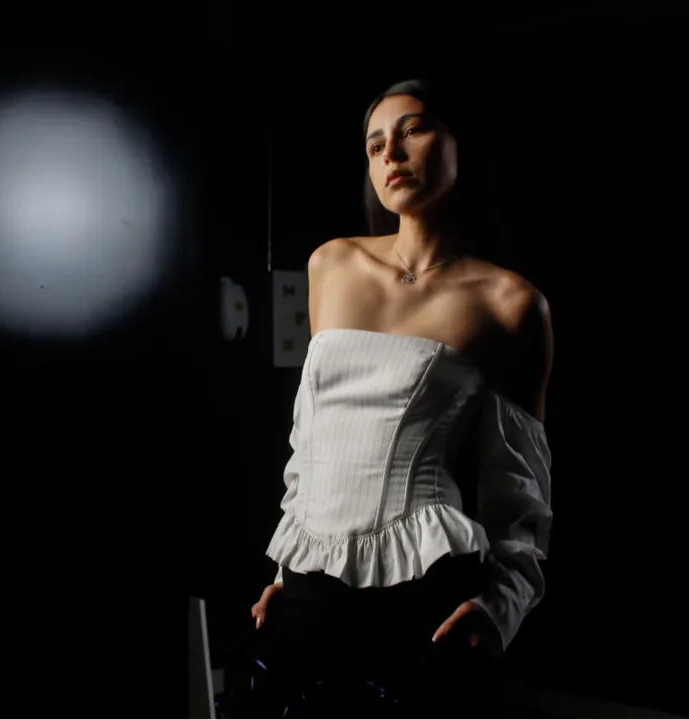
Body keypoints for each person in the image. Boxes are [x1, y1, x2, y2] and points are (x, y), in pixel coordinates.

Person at [219, 78, 554, 720]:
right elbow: (312, 439)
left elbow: (521, 490)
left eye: (413, 130)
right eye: (375, 145)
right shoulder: (331, 265)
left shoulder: (511, 303)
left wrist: (501, 605)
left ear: (458, 146)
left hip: (422, 595)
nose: (391, 154)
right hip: (308, 587)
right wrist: (288, 572)